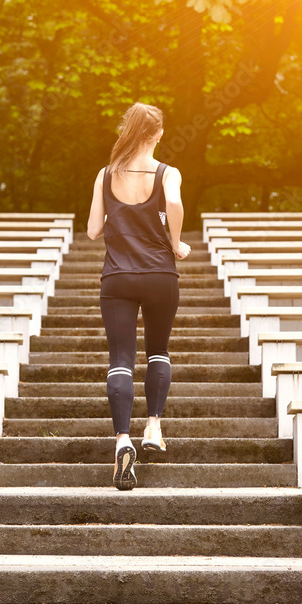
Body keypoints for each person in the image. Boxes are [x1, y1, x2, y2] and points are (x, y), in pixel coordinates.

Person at [86, 102, 191, 491]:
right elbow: (176, 204)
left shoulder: (105, 174)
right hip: (160, 274)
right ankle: (153, 426)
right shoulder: (167, 173)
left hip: (118, 277)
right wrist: (176, 243)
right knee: (158, 351)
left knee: (121, 360)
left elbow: (94, 229)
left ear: (126, 130)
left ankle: (122, 439)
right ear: (159, 133)